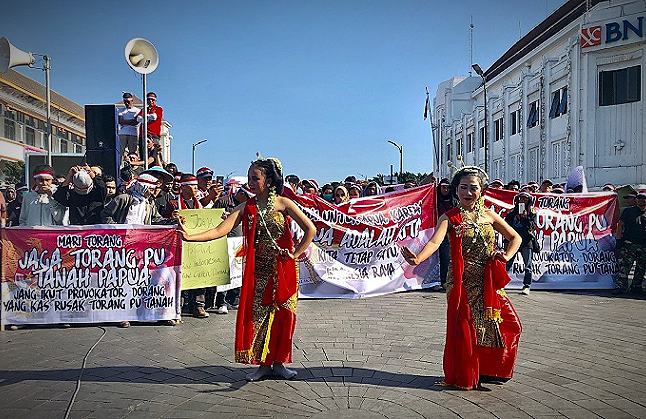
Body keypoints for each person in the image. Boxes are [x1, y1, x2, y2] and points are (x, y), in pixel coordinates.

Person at [177, 157, 315, 382]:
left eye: (255, 178)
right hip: (259, 271)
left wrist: (295, 254)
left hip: (284, 270)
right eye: (249, 177)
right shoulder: (246, 207)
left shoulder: (284, 204)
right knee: (259, 317)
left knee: (284, 317)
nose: (250, 182)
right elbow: (221, 229)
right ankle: (262, 364)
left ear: (269, 180)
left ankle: (279, 363)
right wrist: (190, 237)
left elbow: (310, 229)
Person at [400, 166, 522, 390]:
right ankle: (467, 374)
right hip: (461, 282)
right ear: (455, 190)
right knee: (466, 329)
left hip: (488, 282)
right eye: (463, 188)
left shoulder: (490, 215)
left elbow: (515, 238)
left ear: (482, 190)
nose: (468, 193)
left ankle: (490, 369)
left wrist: (505, 256)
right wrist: (417, 259)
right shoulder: (449, 218)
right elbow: (435, 242)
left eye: (473, 188)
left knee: (511, 324)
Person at [613, 191, 646, 294]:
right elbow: (620, 225)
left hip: (644, 245)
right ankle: (620, 286)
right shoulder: (628, 211)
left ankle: (636, 286)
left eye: (643, 198)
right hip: (629, 244)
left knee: (641, 268)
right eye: (639, 198)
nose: (641, 200)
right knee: (625, 266)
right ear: (636, 199)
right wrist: (618, 240)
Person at [504, 192, 538, 295]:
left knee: (528, 265)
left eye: (525, 199)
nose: (522, 201)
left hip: (526, 242)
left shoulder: (532, 212)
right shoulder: (512, 212)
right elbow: (506, 226)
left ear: (529, 201)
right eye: (520, 198)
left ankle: (526, 286)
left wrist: (525, 217)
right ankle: (500, 284)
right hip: (514, 241)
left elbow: (532, 226)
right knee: (507, 263)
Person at [436, 178, 454, 289]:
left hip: (448, 233)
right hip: (434, 231)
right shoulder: (434, 200)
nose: (445, 190)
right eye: (443, 187)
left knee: (446, 258)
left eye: (447, 187)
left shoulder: (454, 201)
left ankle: (444, 281)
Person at [118, 92, 140, 164]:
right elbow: (120, 121)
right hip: (122, 133)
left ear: (132, 101)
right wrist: (131, 121)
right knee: (120, 151)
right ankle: (119, 166)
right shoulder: (121, 110)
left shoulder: (137, 111)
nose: (126, 103)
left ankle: (131, 167)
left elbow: (136, 121)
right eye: (125, 102)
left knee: (132, 153)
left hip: (133, 133)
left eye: (128, 102)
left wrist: (126, 121)